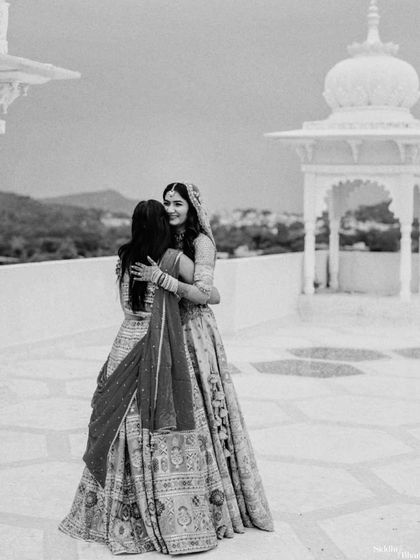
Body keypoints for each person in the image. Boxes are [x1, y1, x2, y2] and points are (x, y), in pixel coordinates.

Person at [59, 200, 232, 555]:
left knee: (118, 427)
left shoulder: (124, 256)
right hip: (157, 346)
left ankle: (109, 514)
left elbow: (127, 306)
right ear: (161, 227)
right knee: (156, 427)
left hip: (124, 342)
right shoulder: (171, 259)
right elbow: (210, 295)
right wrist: (168, 281)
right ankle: (166, 514)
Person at [131, 183, 274, 535]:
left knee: (209, 410)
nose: (170, 209)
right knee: (187, 414)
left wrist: (164, 280)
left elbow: (209, 294)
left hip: (195, 333)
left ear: (192, 207)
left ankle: (225, 501)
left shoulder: (201, 243)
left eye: (177, 203)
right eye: (166, 203)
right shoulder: (166, 242)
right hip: (168, 332)